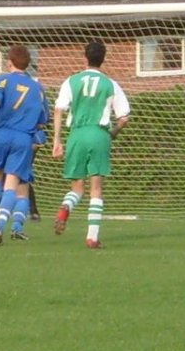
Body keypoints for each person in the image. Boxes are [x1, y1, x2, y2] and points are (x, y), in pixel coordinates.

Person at [51, 41, 130, 249]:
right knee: (96, 188)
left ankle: (66, 206)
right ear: (104, 59)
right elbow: (123, 118)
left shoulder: (71, 81)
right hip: (99, 134)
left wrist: (57, 141)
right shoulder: (111, 84)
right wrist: (111, 134)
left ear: (84, 57)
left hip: (77, 134)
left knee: (77, 187)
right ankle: (92, 237)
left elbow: (59, 109)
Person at [0, 45, 49, 246]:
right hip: (23, 139)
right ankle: (1, 226)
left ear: (9, 62)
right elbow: (42, 121)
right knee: (13, 183)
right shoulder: (38, 89)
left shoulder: (3, 80)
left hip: (0, 135)